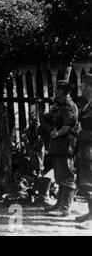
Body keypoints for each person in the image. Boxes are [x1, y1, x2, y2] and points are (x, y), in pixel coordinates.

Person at [44, 80, 79, 217]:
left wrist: (57, 133)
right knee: (59, 175)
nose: (54, 91)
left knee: (67, 176)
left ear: (62, 91)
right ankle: (59, 204)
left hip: (67, 146)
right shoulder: (59, 105)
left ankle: (65, 208)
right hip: (59, 146)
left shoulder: (69, 106)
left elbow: (69, 125)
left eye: (57, 89)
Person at [75, 73, 92, 229]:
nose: (82, 88)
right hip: (86, 150)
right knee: (87, 184)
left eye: (85, 86)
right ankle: (90, 213)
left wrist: (79, 134)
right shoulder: (88, 105)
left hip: (90, 150)